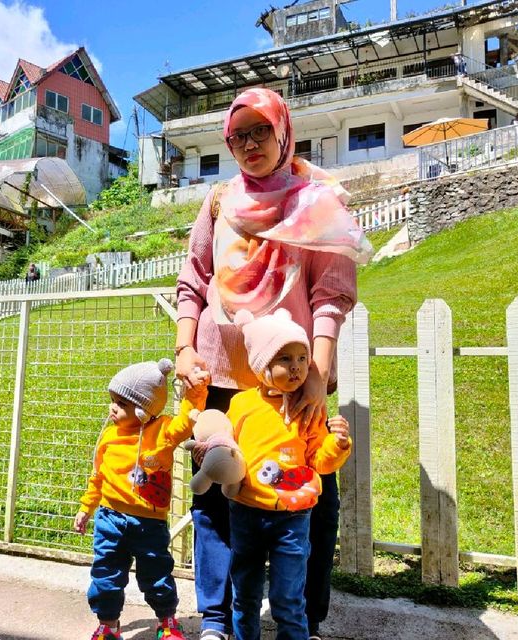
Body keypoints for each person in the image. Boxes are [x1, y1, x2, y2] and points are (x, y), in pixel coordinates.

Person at [175, 87, 371, 640]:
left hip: (289, 381)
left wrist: (317, 370)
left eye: (261, 130)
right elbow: (193, 280)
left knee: (312, 500)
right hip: (218, 377)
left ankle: (303, 622)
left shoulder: (317, 199)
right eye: (238, 135)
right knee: (215, 499)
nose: (249, 144)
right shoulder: (218, 201)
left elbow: (331, 292)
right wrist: (185, 349)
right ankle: (217, 620)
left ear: (284, 130)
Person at [228, 308, 352, 639]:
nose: (297, 367)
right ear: (261, 364)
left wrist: (338, 444)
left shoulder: (309, 407)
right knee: (245, 596)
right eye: (285, 358)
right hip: (246, 513)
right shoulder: (241, 406)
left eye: (301, 357)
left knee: (288, 599)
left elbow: (319, 463)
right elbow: (225, 447)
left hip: (293, 519)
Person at [74, 358, 210, 640]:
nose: (113, 408)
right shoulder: (109, 437)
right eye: (113, 400)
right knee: (106, 575)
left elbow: (187, 419)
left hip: (150, 523)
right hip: (110, 518)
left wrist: (195, 392)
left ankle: (167, 622)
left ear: (143, 410)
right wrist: (87, 507)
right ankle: (108, 625)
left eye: (122, 404)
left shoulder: (162, 431)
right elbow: (97, 476)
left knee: (157, 576)